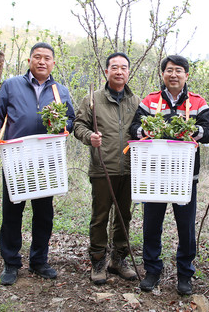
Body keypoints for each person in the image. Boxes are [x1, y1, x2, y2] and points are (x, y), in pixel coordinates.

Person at [0, 42, 75, 286]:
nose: (42, 61)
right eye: (37, 57)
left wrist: (63, 126)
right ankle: (11, 262)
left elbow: (71, 119)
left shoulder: (60, 91)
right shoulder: (11, 85)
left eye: (47, 58)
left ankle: (39, 260)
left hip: (47, 160)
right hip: (16, 158)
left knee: (44, 213)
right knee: (12, 212)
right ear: (29, 60)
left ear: (53, 63)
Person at [129, 54, 209, 295]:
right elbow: (134, 127)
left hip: (185, 176)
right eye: (169, 70)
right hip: (154, 175)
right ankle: (152, 270)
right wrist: (143, 129)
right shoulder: (150, 100)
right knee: (151, 224)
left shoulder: (198, 102)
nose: (173, 74)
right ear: (162, 74)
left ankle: (185, 273)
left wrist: (194, 130)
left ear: (186, 75)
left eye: (179, 70)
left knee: (185, 226)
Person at [73, 52, 141, 285]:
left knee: (124, 215)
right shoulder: (92, 99)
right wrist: (89, 136)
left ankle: (119, 259)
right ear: (106, 71)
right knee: (100, 216)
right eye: (115, 67)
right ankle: (98, 260)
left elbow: (142, 129)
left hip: (130, 167)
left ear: (128, 72)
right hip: (102, 167)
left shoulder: (136, 101)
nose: (119, 71)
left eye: (124, 67)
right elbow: (78, 125)